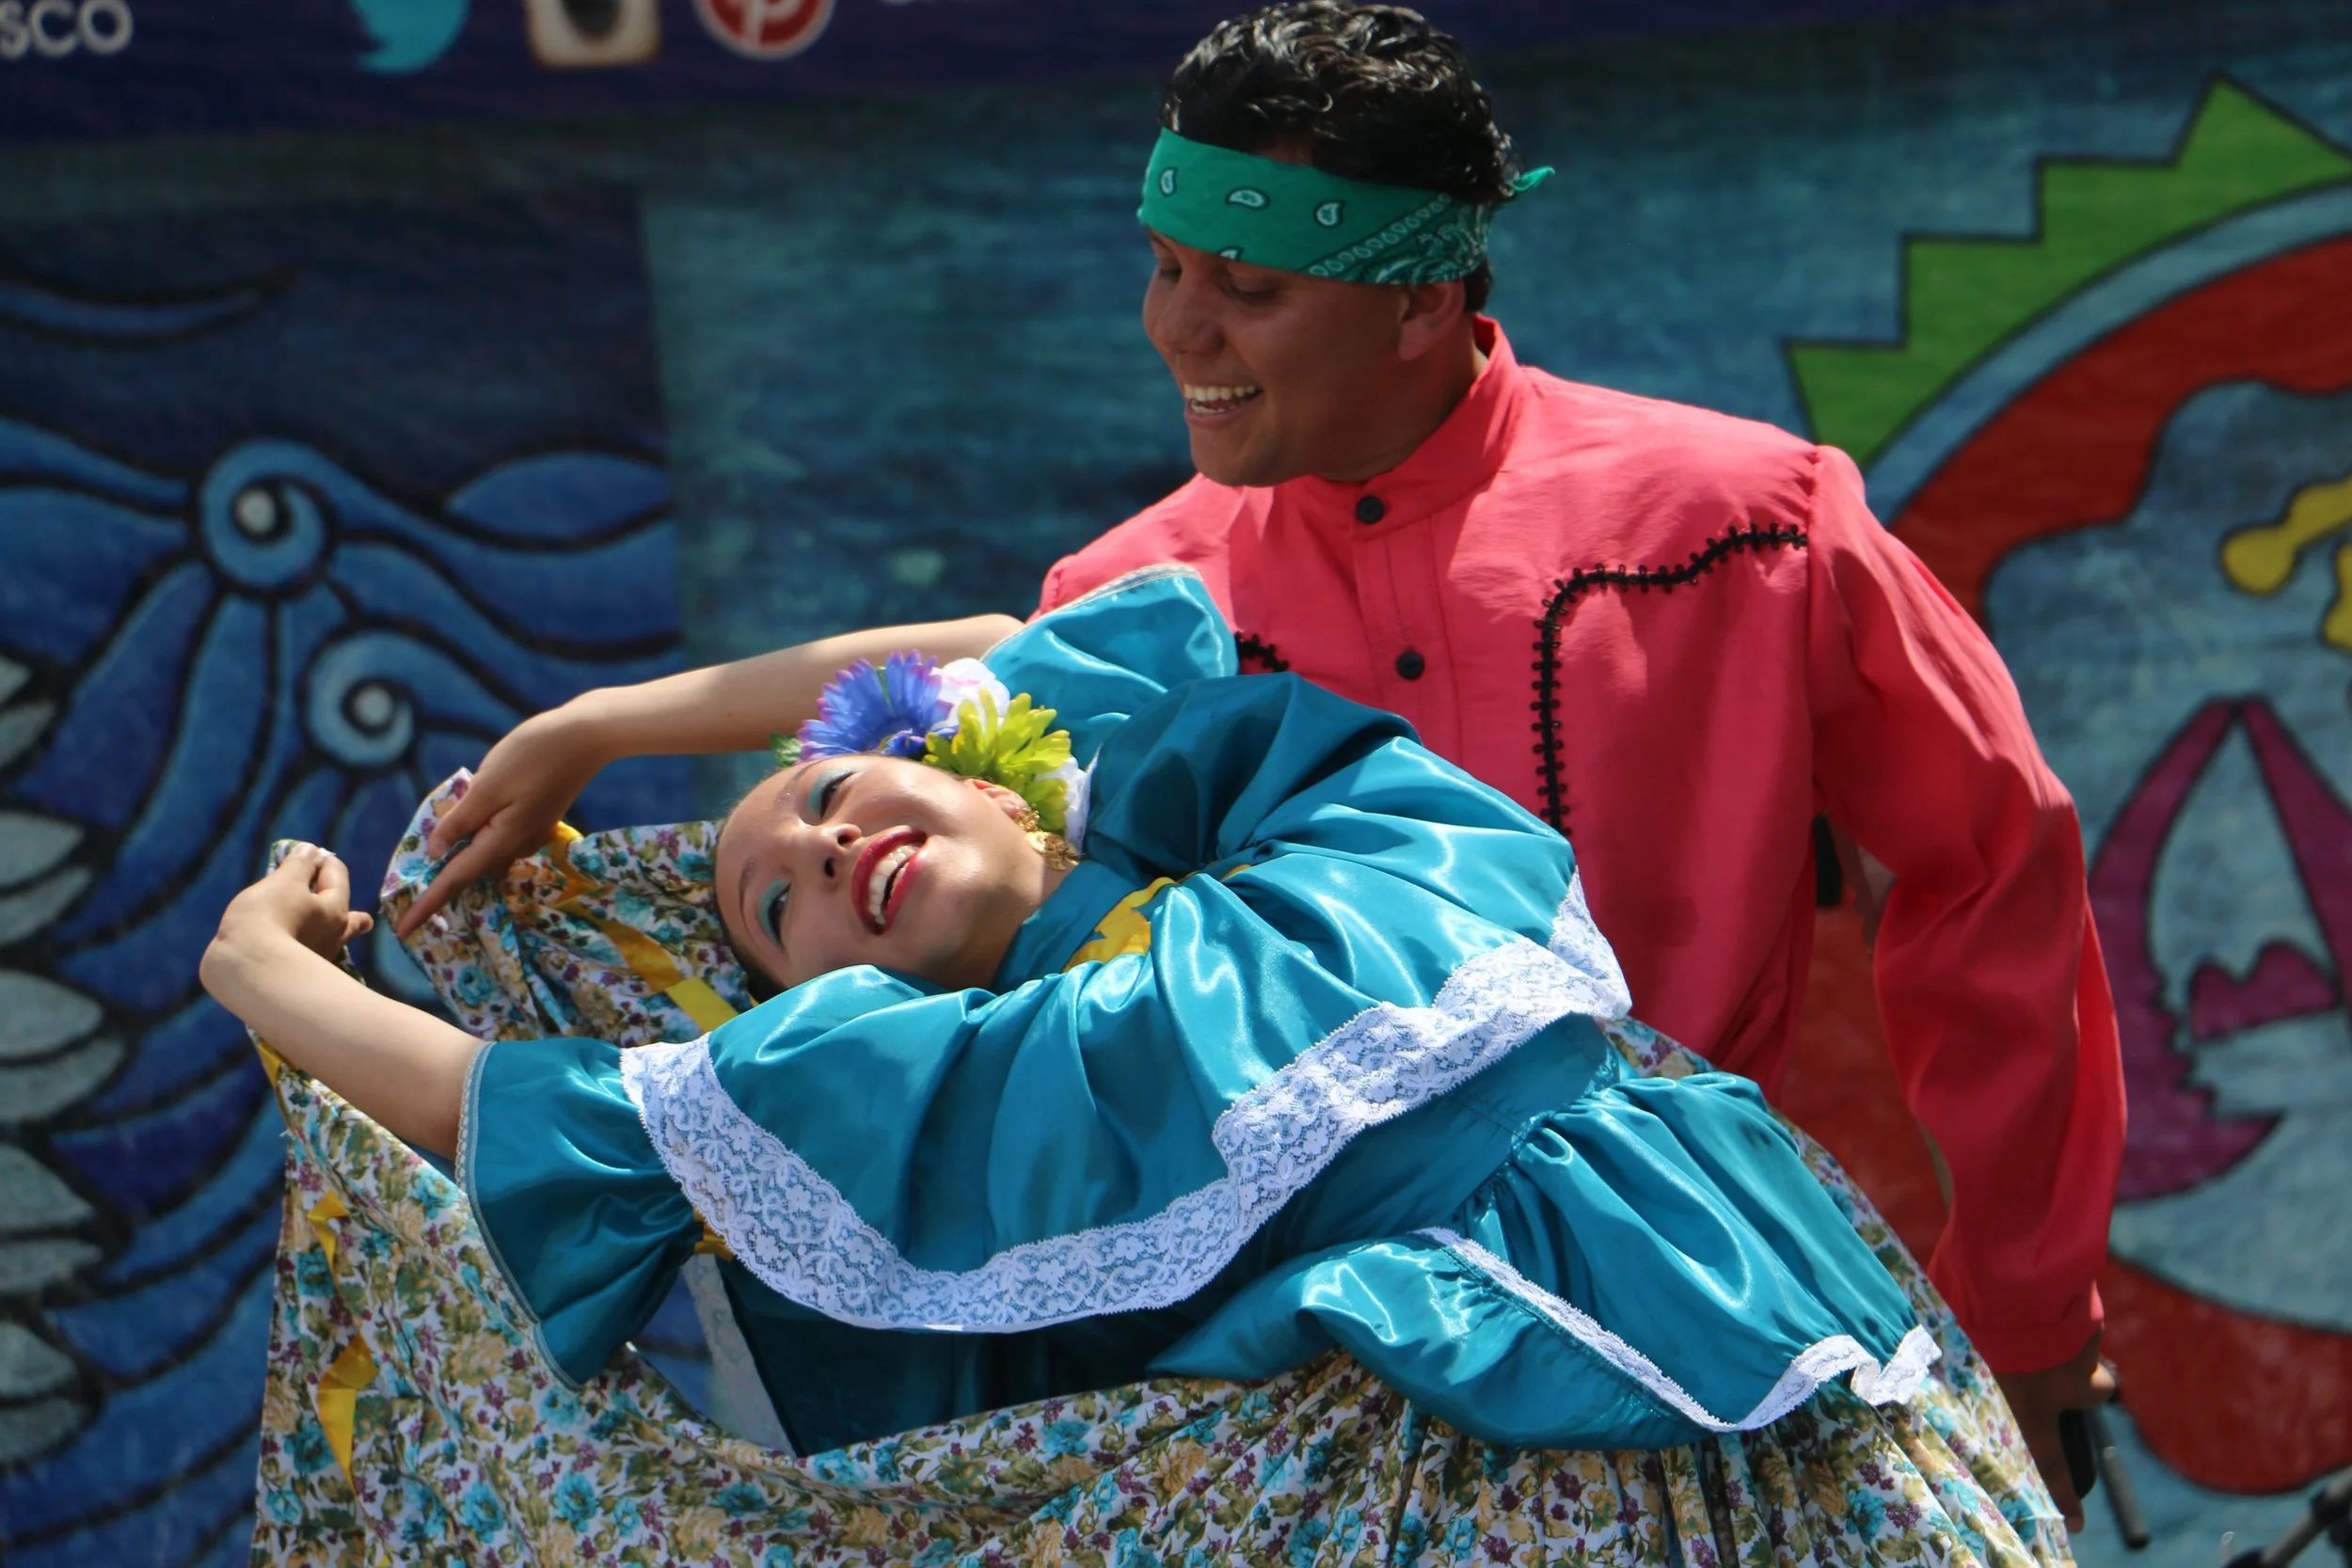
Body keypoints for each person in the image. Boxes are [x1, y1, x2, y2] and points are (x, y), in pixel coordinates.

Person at [394, 0, 2125, 1523]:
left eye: (1249, 287)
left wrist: (2031, 1300)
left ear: (1422, 294)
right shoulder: (1136, 609)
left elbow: (1994, 873)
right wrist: (593, 725)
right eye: (1163, 268)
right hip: (1282, 1430)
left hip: (1684, 1304)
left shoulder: (1745, 527)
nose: (1177, 333)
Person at [220, 571, 2061, 1563]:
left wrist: (604, 720)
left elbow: (1008, 649)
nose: (817, 852)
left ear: (977, 760)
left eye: (842, 787)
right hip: (1471, 1445)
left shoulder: (1235, 806)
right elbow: (513, 1108)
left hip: (1756, 1304)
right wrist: (253, 962)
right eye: (776, 909)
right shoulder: (946, 1074)